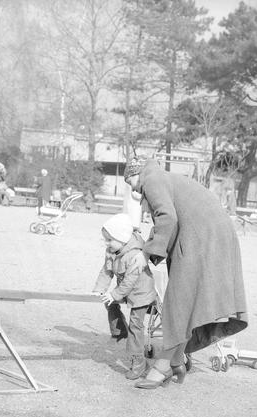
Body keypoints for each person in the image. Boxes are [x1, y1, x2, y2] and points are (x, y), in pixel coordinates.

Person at [123, 158, 248, 389]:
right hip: (209, 235)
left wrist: (146, 253)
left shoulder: (152, 179)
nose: (131, 188)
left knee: (178, 302)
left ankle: (164, 366)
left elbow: (167, 217)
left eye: (129, 180)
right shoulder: (162, 178)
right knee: (185, 302)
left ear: (135, 173)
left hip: (203, 237)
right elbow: (171, 218)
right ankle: (176, 360)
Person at [93, 213, 158, 380]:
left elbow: (130, 281)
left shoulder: (134, 255)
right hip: (125, 289)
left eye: (109, 240)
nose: (106, 244)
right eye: (105, 240)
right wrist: (101, 289)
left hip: (140, 293)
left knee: (136, 326)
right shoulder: (112, 251)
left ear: (121, 238)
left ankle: (139, 363)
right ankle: (120, 331)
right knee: (108, 301)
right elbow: (106, 270)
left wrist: (114, 294)